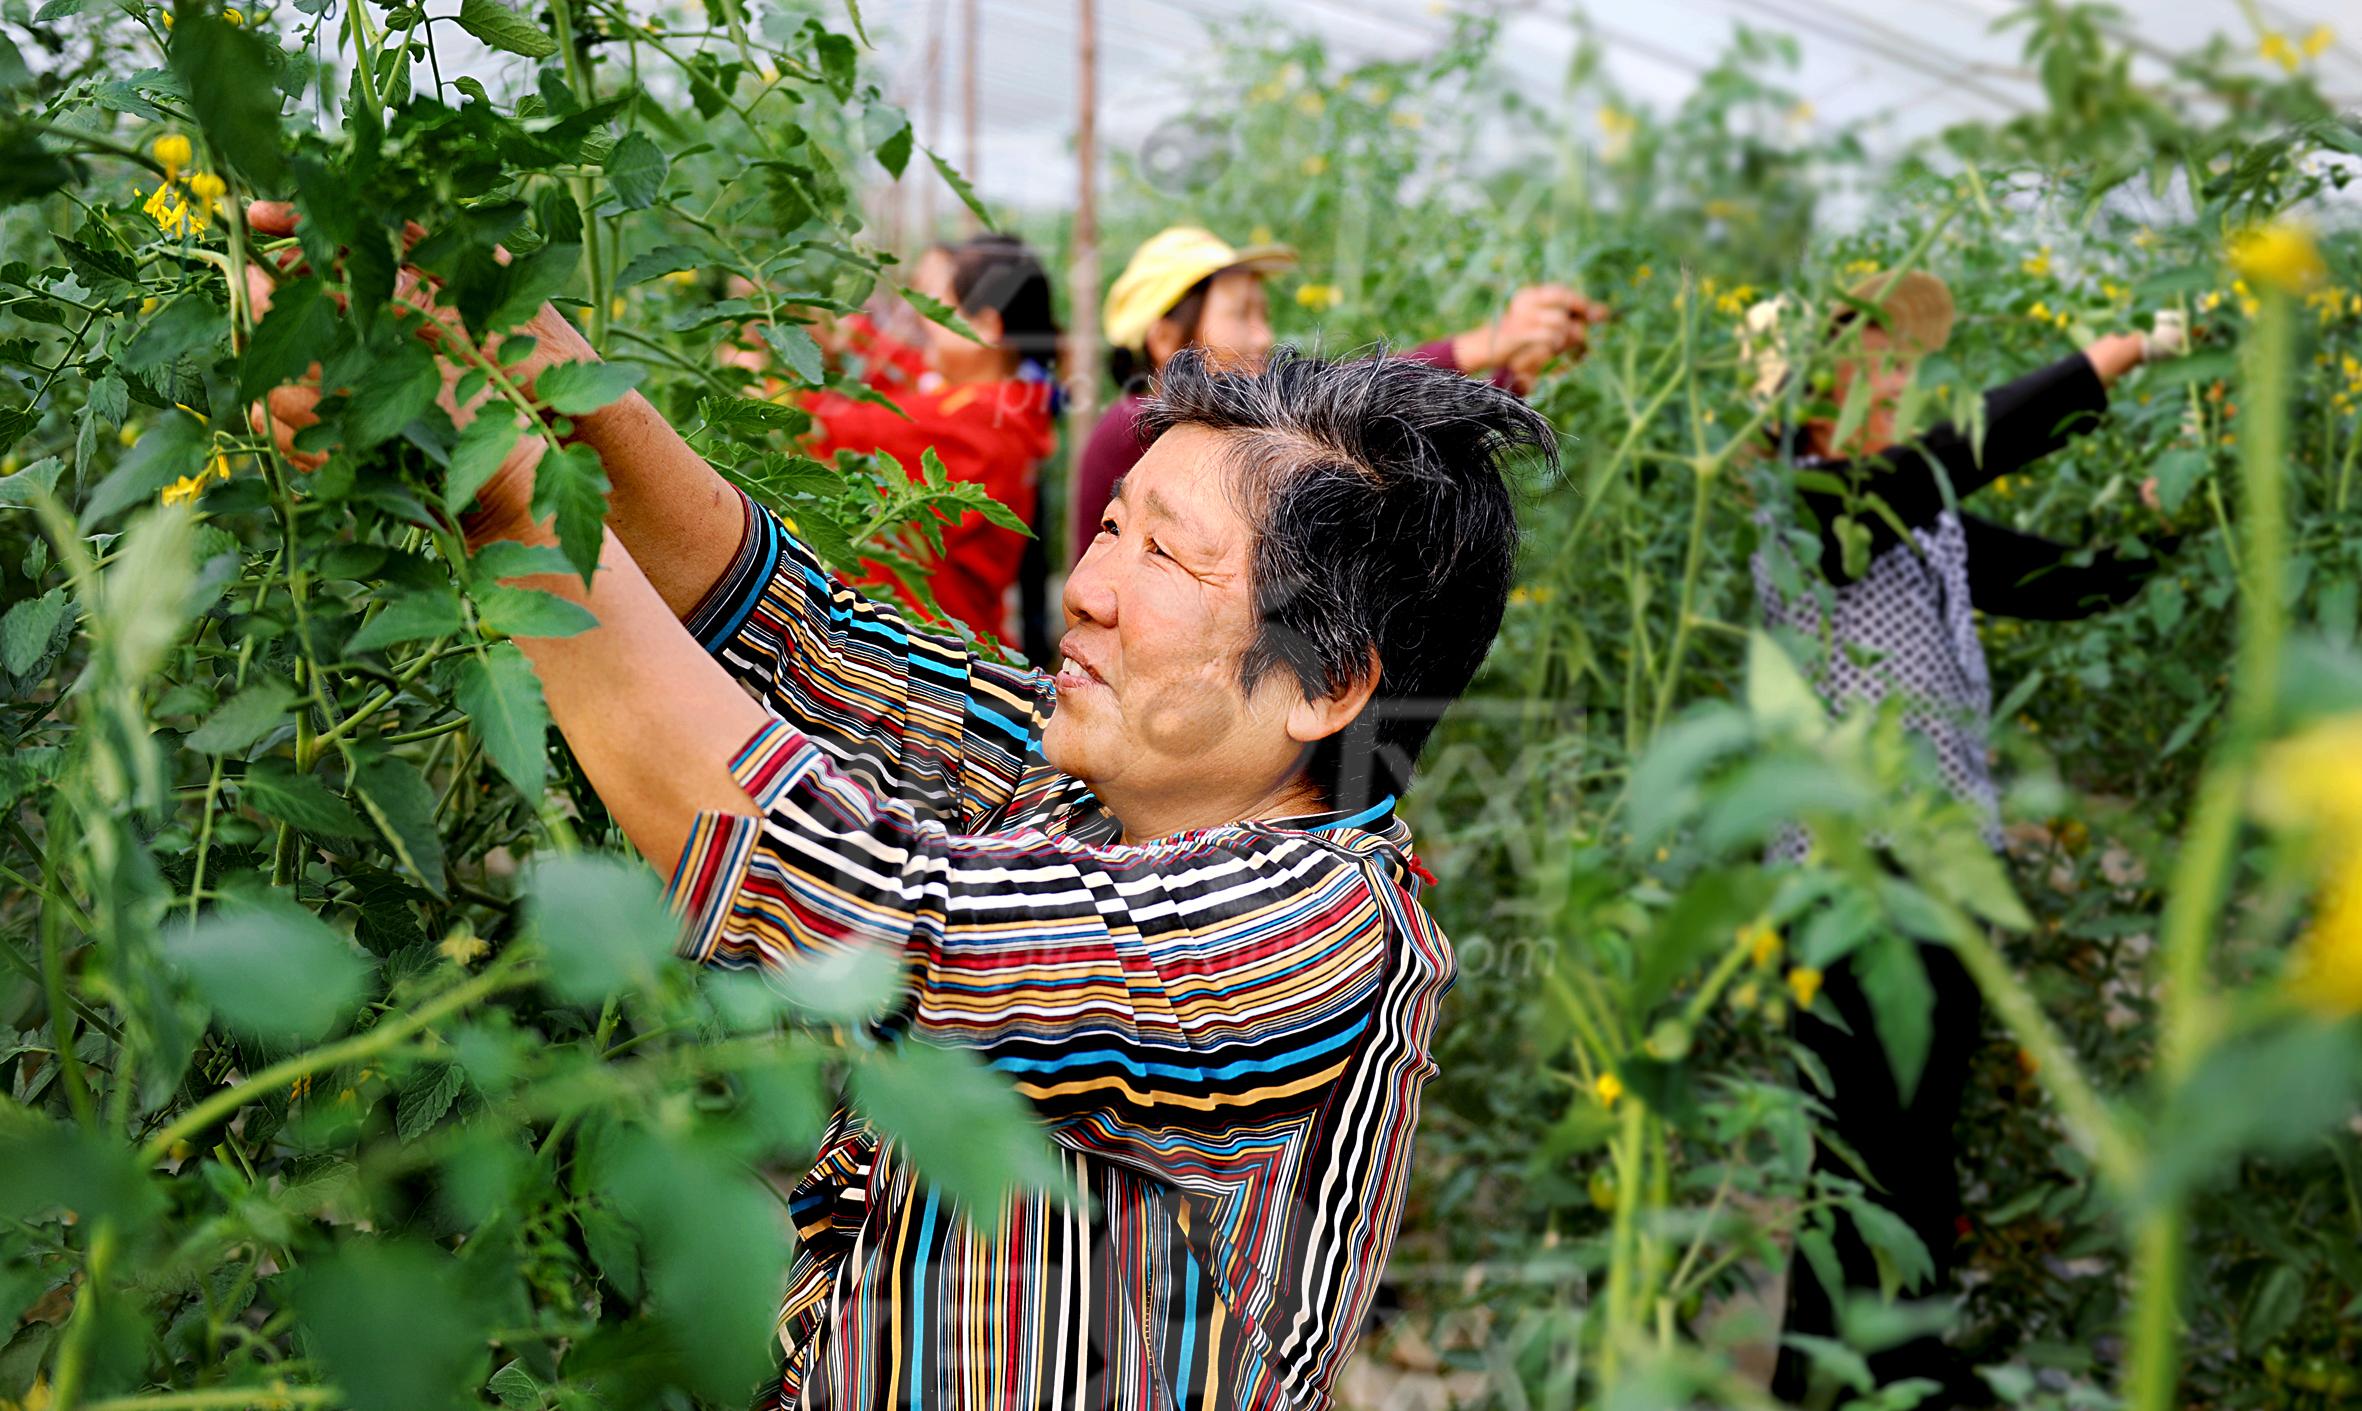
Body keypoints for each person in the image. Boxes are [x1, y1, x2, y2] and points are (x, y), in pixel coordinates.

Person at [242, 202, 1558, 1411]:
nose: (1087, 585)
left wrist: (492, 478)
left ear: (1327, 682)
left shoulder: (1312, 935)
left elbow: (873, 917)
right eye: (1111, 524)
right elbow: (800, 631)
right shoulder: (1102, 777)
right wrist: (513, 341)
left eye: (1162, 553)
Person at [1747, 270, 2183, 1403]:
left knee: (1914, 1153)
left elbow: (2070, 585)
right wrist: (2112, 356)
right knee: (1856, 1160)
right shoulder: (1804, 507)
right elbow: (1945, 460)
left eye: (1903, 361)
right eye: (1874, 361)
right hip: (1845, 890)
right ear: (1813, 384)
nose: (1899, 378)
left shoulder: (1918, 517)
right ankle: (1833, 1385)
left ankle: (1907, 1372)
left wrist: (2175, 507)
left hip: (1939, 878)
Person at [1074, 224, 1605, 561]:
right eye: (1241, 316)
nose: (1264, 336)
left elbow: (1359, 430)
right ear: (1166, 339)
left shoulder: (1217, 430)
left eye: (1265, 314)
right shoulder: (1136, 425)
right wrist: (1493, 342)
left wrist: (1513, 379)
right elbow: (1346, 404)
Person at [745, 233, 1061, 646]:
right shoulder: (1001, 400)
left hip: (930, 660)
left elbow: (834, 428)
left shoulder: (979, 422)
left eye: (939, 306)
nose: (923, 319)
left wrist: (758, 381)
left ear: (986, 324)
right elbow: (903, 368)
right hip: (945, 637)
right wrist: (828, 331)